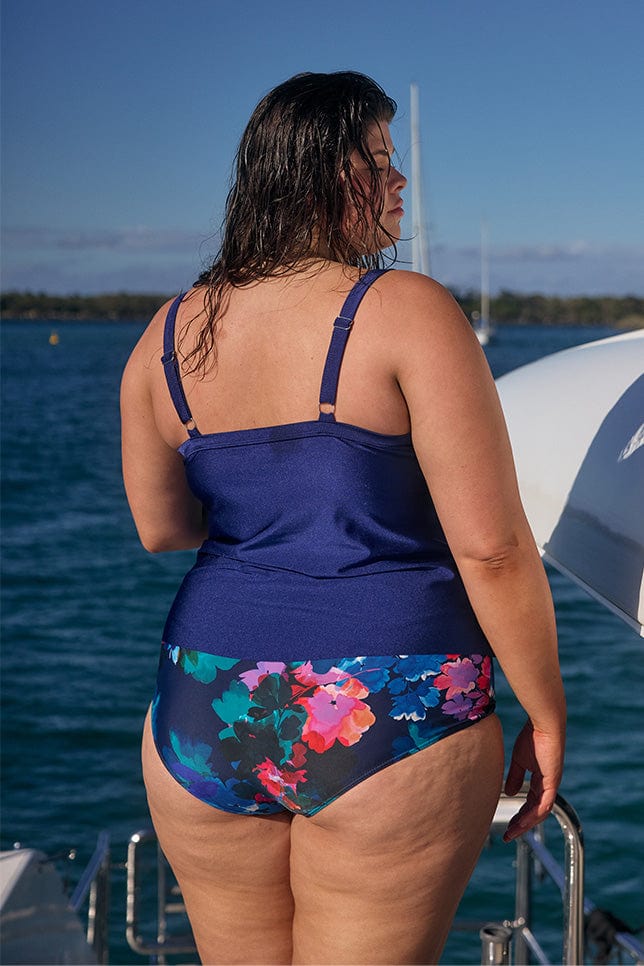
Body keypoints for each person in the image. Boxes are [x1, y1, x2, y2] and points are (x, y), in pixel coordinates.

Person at [120, 71, 566, 966]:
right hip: (388, 701)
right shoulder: (405, 310)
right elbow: (494, 549)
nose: (401, 184)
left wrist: (287, 528)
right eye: (382, 162)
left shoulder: (168, 335)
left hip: (205, 702)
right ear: (325, 174)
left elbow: (161, 528)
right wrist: (548, 713)